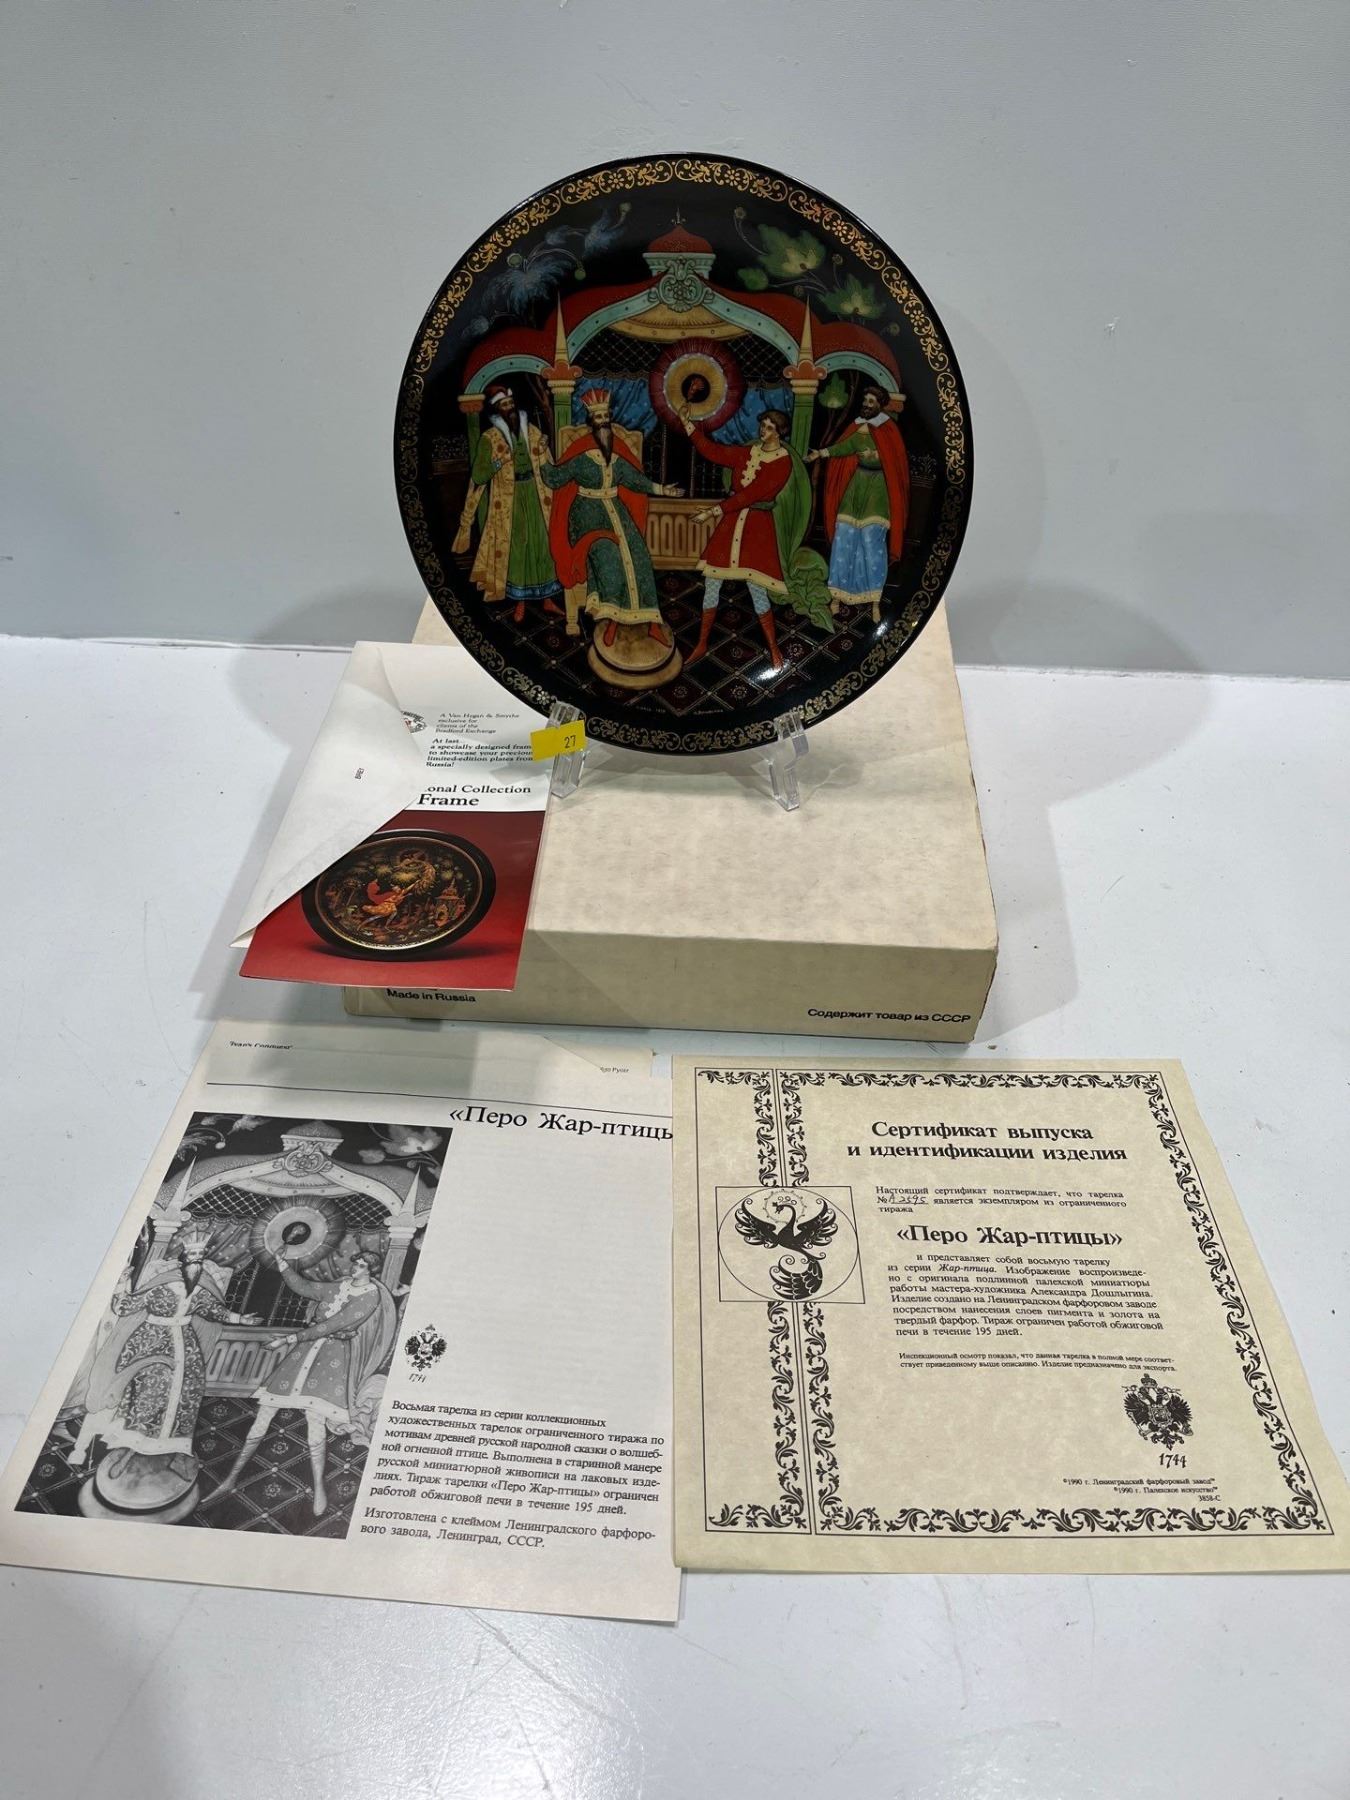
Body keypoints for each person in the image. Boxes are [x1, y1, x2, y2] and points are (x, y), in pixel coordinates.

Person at [203, 1247, 396, 1517]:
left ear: (371, 1270)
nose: (356, 1268)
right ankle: (230, 1479)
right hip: (304, 1353)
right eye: (356, 1263)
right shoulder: (339, 1286)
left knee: (314, 1419)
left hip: (331, 1359)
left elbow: (332, 1325)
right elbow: (304, 1287)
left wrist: (287, 1339)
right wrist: (282, 1262)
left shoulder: (370, 1296)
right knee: (265, 1411)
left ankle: (319, 1488)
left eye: (362, 1265)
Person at [67, 1224, 258, 1473]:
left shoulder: (199, 1291)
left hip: (185, 1345)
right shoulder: (162, 1285)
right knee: (156, 1380)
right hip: (148, 1344)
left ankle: (163, 1443)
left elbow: (214, 1311)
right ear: (183, 1260)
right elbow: (126, 1307)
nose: (196, 1263)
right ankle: (130, 1437)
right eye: (192, 1257)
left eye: (199, 1258)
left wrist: (241, 1319)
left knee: (189, 1385)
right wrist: (122, 1284)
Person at [539, 388, 681, 646]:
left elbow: (636, 480)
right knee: (609, 556)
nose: (603, 421)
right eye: (599, 417)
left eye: (606, 416)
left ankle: (652, 624)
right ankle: (612, 621)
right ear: (591, 422)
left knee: (639, 555)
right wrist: (541, 455)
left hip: (616, 511)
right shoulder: (581, 457)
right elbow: (554, 478)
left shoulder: (616, 457)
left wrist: (663, 490)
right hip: (586, 517)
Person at [680, 406, 812, 671]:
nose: (764, 430)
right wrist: (687, 424)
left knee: (757, 589)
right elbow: (713, 451)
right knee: (712, 583)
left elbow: (751, 494)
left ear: (780, 432)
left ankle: (774, 649)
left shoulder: (782, 461)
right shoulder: (748, 452)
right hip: (731, 525)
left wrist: (712, 512)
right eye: (763, 425)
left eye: (770, 427)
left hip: (756, 528)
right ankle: (702, 643)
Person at [452, 383, 562, 624]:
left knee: (542, 543)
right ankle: (520, 603)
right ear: (497, 410)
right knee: (518, 547)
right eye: (504, 405)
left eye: (511, 403)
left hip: (535, 494)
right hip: (510, 501)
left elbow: (544, 459)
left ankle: (547, 599)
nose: (510, 408)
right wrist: (498, 463)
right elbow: (479, 475)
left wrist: (543, 446)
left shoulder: (530, 429)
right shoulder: (489, 439)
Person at [807, 382, 910, 622]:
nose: (866, 405)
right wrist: (821, 453)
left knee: (872, 544)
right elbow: (845, 447)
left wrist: (877, 456)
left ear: (880, 405)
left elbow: (894, 461)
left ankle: (874, 601)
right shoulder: (859, 426)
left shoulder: (888, 429)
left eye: (871, 402)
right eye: (865, 401)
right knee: (844, 539)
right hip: (856, 488)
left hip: (878, 491)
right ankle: (837, 596)